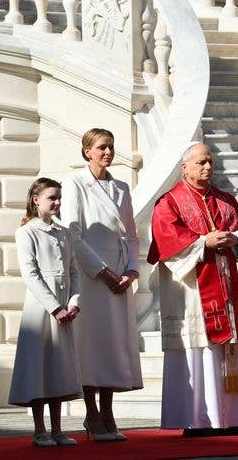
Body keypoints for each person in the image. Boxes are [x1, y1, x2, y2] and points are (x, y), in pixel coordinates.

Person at [149, 142, 238, 437]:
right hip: (192, 292)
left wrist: (234, 238)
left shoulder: (225, 199)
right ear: (184, 167)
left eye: (210, 162)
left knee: (224, 351)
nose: (207, 167)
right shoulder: (169, 202)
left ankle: (227, 418)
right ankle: (197, 420)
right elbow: (165, 237)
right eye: (200, 163)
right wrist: (203, 243)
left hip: (224, 286)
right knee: (198, 351)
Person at [59, 128, 142, 441]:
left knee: (113, 344)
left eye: (111, 146)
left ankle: (108, 410)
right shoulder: (75, 183)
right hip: (92, 275)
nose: (108, 152)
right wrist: (103, 271)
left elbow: (132, 235)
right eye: (101, 147)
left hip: (120, 275)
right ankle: (91, 412)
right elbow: (73, 233)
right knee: (91, 344)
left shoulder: (121, 186)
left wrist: (132, 271)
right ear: (87, 151)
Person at [9, 178, 83, 447]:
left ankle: (58, 429)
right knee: (39, 367)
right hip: (41, 309)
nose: (57, 202)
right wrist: (54, 307)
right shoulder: (27, 232)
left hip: (64, 306)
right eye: (52, 197)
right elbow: (31, 274)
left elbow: (74, 271)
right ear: (36, 199)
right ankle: (40, 430)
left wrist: (73, 302)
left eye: (59, 197)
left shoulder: (64, 232)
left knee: (58, 368)